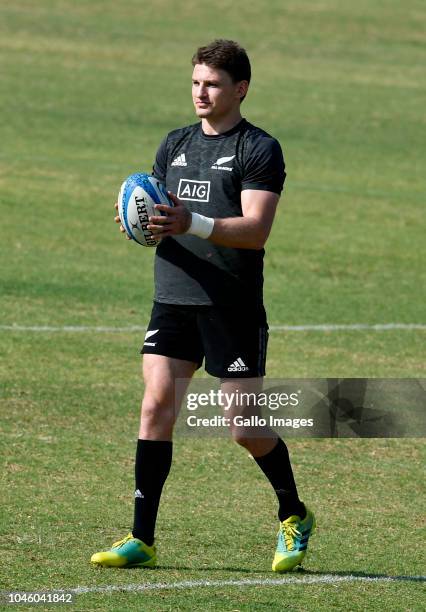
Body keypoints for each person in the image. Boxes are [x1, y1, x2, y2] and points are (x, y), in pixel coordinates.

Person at [91, 39, 315, 573]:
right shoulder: (174, 144)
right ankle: (141, 538)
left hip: (229, 305)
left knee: (241, 424)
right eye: (195, 82)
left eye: (212, 84)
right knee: (155, 407)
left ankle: (294, 512)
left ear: (240, 89)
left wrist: (189, 221)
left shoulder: (259, 148)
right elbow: (156, 207)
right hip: (172, 297)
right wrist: (138, 222)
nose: (201, 92)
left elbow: (256, 230)